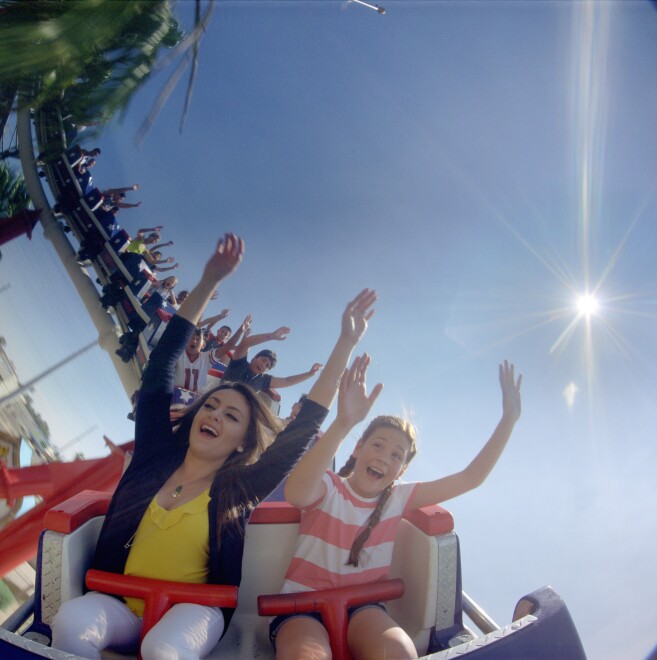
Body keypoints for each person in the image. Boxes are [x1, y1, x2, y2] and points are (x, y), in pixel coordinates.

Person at [51, 235, 377, 659]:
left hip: (193, 611)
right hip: (119, 600)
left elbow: (305, 426)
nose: (215, 416)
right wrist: (208, 282)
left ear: (243, 441)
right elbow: (163, 361)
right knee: (71, 623)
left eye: (231, 416)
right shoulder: (155, 454)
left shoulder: (238, 489)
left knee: (164, 650)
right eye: (212, 405)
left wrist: (346, 344)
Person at [271, 357, 523, 659]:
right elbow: (296, 493)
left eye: (396, 455)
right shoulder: (328, 485)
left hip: (364, 608)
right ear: (358, 448)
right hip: (301, 607)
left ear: (401, 470)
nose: (384, 457)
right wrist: (343, 423)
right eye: (377, 445)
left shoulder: (398, 499)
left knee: (398, 651)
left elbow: (470, 478)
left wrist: (508, 419)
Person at [223, 324, 322, 393]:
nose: (263, 365)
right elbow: (246, 343)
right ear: (254, 357)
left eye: (267, 366)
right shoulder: (239, 363)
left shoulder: (263, 380)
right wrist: (272, 336)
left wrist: (309, 374)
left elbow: (286, 381)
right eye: (264, 360)